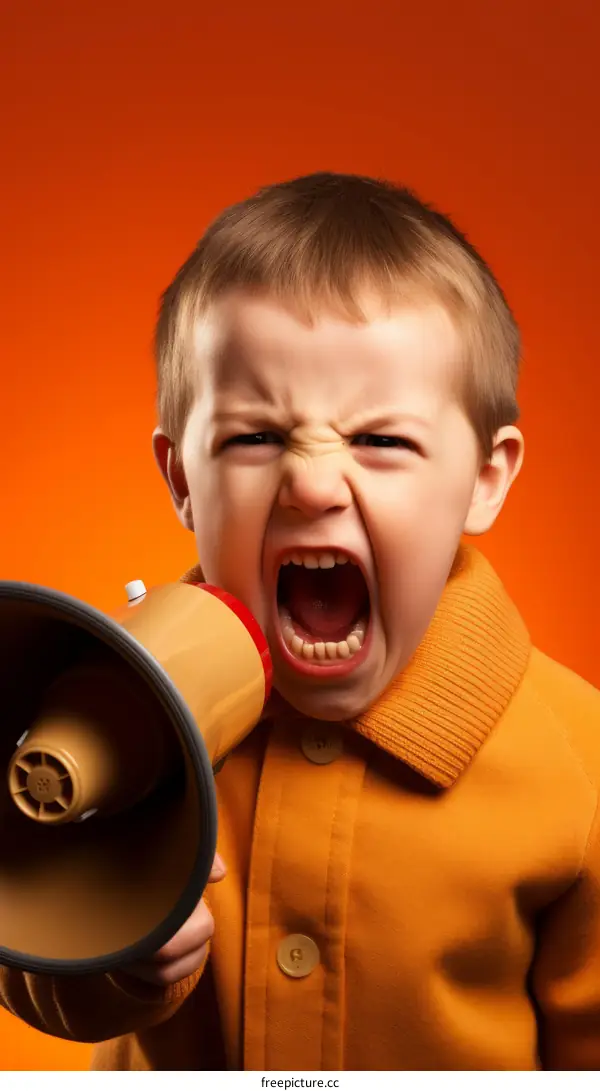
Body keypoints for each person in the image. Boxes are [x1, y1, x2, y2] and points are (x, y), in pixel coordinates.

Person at [2, 172, 600, 1071]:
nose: (313, 485)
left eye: (382, 440)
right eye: (254, 438)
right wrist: (114, 955)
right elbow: (27, 931)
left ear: (484, 478)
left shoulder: (580, 770)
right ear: (182, 479)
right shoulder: (96, 711)